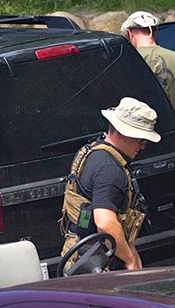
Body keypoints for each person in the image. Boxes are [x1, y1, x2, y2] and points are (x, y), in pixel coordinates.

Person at [59, 97, 160, 271]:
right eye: (140, 140)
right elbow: (105, 222)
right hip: (96, 266)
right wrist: (129, 260)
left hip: (80, 255)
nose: (143, 146)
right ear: (122, 132)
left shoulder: (93, 152)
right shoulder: (110, 170)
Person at [121, 11, 175, 175]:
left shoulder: (123, 63)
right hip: (168, 142)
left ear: (129, 33)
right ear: (155, 32)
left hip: (132, 145)